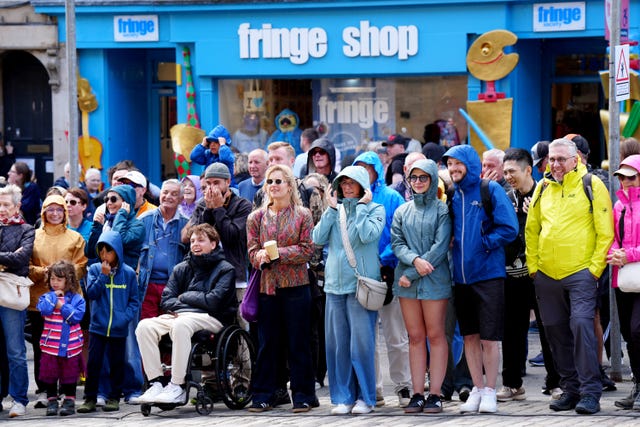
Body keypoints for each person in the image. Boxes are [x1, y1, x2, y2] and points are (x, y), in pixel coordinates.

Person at [525, 137, 613, 415]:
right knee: (554, 331)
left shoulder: (592, 185)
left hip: (580, 273)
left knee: (581, 327)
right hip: (546, 275)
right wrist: (534, 267)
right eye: (551, 159)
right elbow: (532, 229)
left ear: (575, 160)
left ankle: (590, 392)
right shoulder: (543, 187)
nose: (555, 164)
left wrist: (594, 269)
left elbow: (605, 231)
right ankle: (570, 389)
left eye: (561, 159)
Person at [442, 144, 518, 414]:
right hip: (461, 279)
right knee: (470, 336)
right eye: (450, 165)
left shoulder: (490, 190)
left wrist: (484, 243)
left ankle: (490, 390)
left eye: (457, 164)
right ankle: (477, 388)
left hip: (488, 276)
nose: (453, 169)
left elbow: (510, 228)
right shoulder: (452, 193)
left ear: (470, 164)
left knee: (489, 338)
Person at [135, 223, 237, 404]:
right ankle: (156, 383)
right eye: (192, 241)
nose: (195, 244)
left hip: (211, 318)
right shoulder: (181, 268)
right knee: (144, 326)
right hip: (178, 315)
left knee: (181, 325)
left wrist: (185, 296)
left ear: (213, 244)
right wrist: (187, 302)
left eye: (201, 240)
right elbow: (166, 299)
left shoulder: (225, 269)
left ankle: (177, 386)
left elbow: (214, 301)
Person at [312, 165, 385, 415]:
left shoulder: (376, 209)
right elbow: (317, 238)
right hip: (334, 286)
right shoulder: (335, 210)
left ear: (363, 185)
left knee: (361, 345)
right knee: (338, 346)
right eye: (343, 183)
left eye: (352, 182)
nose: (346, 187)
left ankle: (366, 397)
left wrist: (362, 207)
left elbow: (367, 235)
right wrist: (331, 209)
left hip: (361, 286)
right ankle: (343, 397)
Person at [246, 164, 317, 413]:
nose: (273, 186)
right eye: (270, 182)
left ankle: (304, 395)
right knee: (268, 344)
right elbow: (251, 251)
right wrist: (260, 257)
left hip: (297, 286)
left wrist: (277, 254)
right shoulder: (256, 217)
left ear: (289, 185)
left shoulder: (303, 215)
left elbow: (308, 249)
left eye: (278, 181)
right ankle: (263, 394)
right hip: (268, 288)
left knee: (299, 342)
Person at [497, 148, 560, 402]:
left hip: (541, 273)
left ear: (527, 170)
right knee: (512, 331)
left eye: (512, 171)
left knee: (548, 328)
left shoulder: (546, 194)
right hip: (512, 275)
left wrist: (538, 213)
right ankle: (512, 384)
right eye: (505, 172)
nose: (508, 176)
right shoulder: (504, 197)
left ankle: (555, 383)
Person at [391, 159, 452, 413]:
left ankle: (435, 393)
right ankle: (417, 393)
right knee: (414, 337)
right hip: (407, 280)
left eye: (423, 177)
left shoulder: (442, 211)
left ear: (432, 180)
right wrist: (414, 262)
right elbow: (397, 243)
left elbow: (439, 249)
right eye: (413, 178)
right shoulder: (402, 211)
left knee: (435, 335)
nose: (417, 182)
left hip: (433, 280)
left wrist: (412, 273)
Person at [352, 151, 411, 408]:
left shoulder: (391, 197)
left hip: (389, 273)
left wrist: (383, 259)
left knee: (396, 334)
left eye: (368, 167)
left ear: (377, 169)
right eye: (359, 168)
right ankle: (373, 387)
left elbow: (400, 234)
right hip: (362, 275)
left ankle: (403, 386)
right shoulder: (350, 198)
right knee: (367, 337)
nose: (364, 172)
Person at [28, 194, 88, 410]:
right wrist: (46, 273)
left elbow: (82, 265)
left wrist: (63, 275)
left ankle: (68, 392)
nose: (55, 213)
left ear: (65, 212)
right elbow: (27, 265)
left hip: (69, 301)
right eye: (50, 209)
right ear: (43, 212)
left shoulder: (75, 237)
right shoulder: (33, 236)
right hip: (39, 301)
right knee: (42, 347)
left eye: (59, 209)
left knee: (69, 346)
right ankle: (45, 390)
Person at [78, 231, 140, 413]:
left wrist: (124, 318)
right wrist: (103, 276)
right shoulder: (95, 270)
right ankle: (90, 398)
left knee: (117, 364)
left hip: (119, 329)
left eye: (109, 251)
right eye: (101, 251)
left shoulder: (128, 273)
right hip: (98, 327)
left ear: (117, 252)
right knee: (94, 363)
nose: (105, 255)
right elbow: (92, 294)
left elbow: (134, 300)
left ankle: (114, 397)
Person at [608, 154, 640, 410]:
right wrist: (615, 252)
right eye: (622, 177)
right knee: (629, 334)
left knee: (639, 330)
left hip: (634, 271)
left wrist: (627, 254)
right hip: (623, 277)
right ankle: (638, 386)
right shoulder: (617, 205)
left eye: (632, 176)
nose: (627, 182)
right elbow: (613, 237)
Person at [0, 184, 35, 417]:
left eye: (6, 205)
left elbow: (21, 258)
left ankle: (20, 399)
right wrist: (6, 259)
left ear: (17, 206)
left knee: (15, 349)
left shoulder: (27, 229)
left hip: (11, 293)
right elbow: (13, 257)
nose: (1, 209)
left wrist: (8, 260)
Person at [36, 260, 86, 416]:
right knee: (50, 374)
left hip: (71, 347)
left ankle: (69, 400)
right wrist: (53, 298)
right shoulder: (46, 297)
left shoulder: (77, 299)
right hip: (51, 346)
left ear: (68, 280)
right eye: (52, 279)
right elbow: (43, 310)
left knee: (69, 374)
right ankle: (52, 400)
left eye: (59, 279)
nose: (55, 283)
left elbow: (76, 317)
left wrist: (61, 306)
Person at [137, 179, 189, 320]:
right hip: (147, 285)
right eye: (165, 192)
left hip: (172, 287)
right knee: (146, 328)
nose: (168, 197)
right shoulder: (144, 220)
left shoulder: (186, 225)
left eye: (174, 194)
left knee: (168, 330)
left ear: (181, 199)